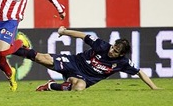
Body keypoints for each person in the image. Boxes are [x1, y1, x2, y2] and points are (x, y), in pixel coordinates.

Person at [11, 26, 160, 91]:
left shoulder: (123, 63)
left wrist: (153, 87)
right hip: (74, 62)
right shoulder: (101, 45)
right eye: (113, 47)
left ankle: (51, 86)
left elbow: (140, 72)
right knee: (41, 58)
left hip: (85, 78)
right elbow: (83, 36)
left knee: (79, 88)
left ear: (121, 55)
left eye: (115, 51)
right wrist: (64, 31)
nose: (112, 51)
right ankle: (12, 49)